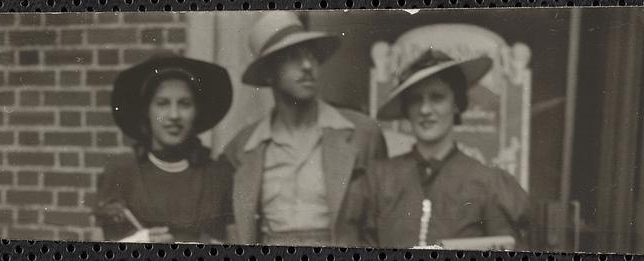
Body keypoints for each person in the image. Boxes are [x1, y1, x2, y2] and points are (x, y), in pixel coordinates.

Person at [222, 11, 388, 246]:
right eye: (292, 57)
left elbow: (379, 227)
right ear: (269, 73)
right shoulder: (243, 148)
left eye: (311, 55)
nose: (308, 65)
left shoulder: (362, 135)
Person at [339, 49, 531, 249]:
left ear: (456, 104)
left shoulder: (489, 184)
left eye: (437, 97)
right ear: (406, 109)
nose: (425, 110)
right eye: (416, 99)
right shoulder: (377, 180)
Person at [93, 55, 234, 243]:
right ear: (147, 110)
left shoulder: (218, 176)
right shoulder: (120, 172)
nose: (174, 115)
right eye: (162, 104)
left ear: (196, 111)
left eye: (184, 104)